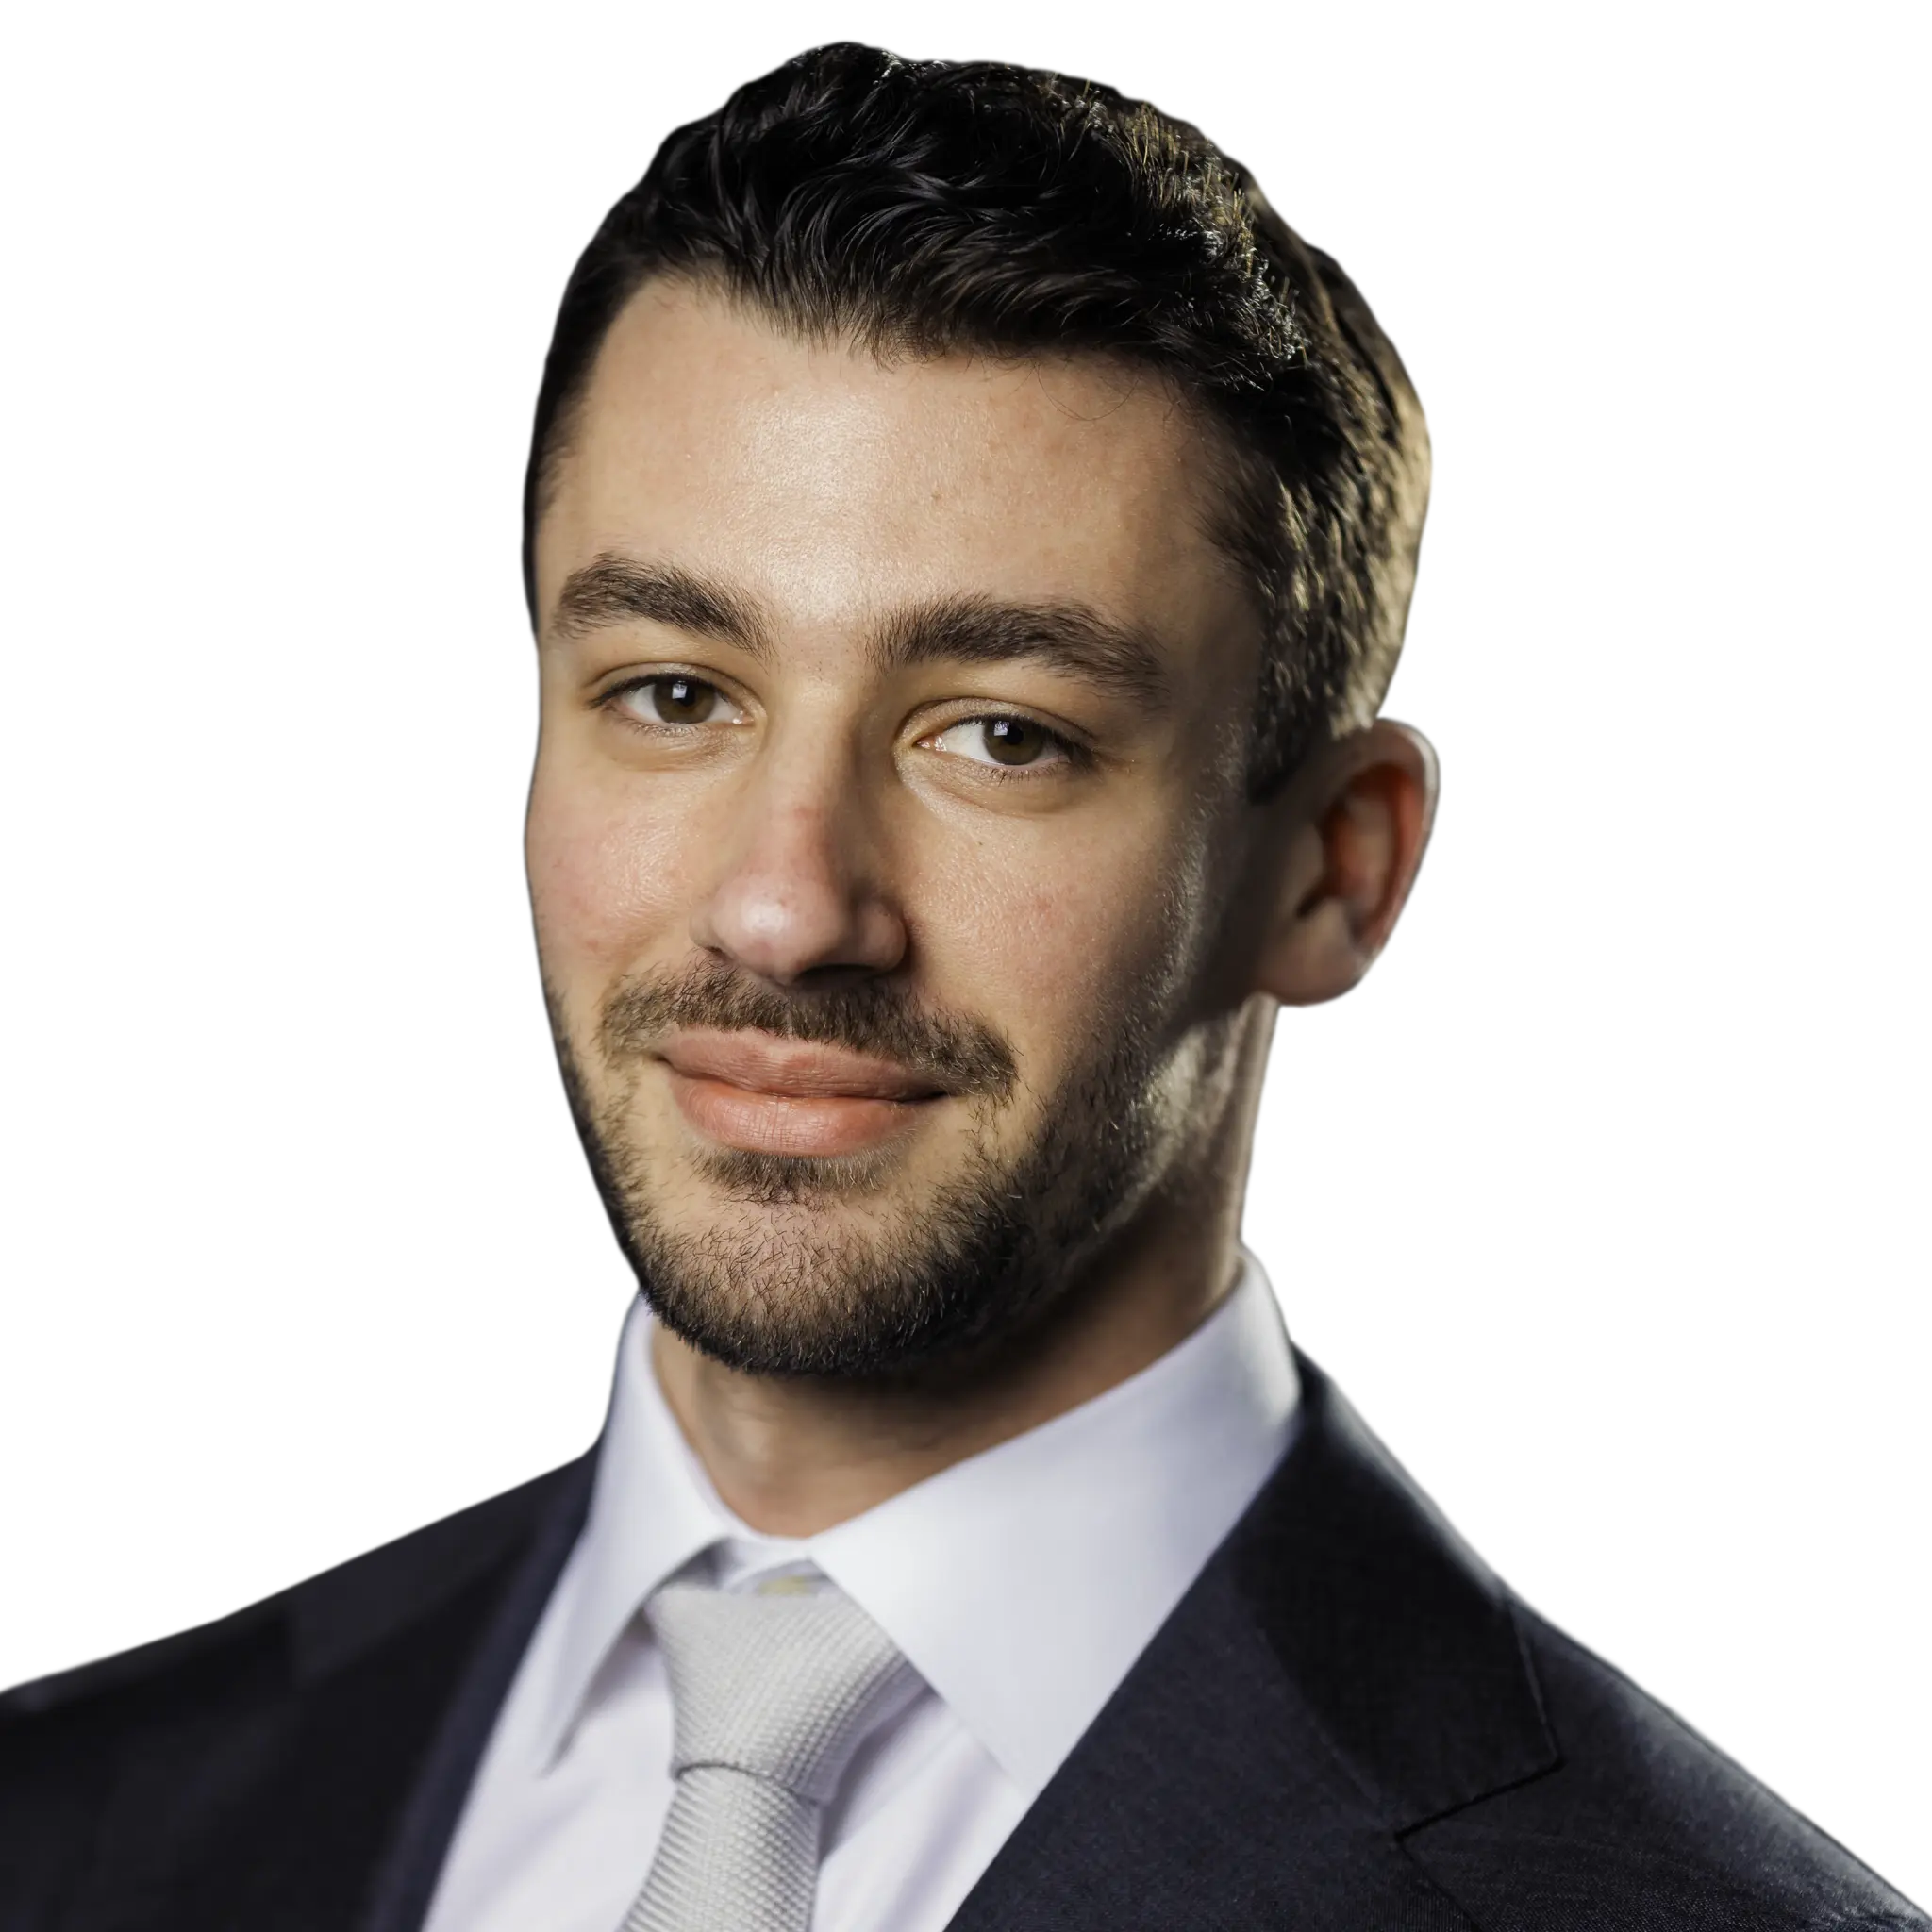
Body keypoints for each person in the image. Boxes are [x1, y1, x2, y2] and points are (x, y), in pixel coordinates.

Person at [4, 39, 1922, 1932]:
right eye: (673, 692)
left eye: (1002, 734)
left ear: (1334, 871)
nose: (785, 910)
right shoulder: (68, 1819)